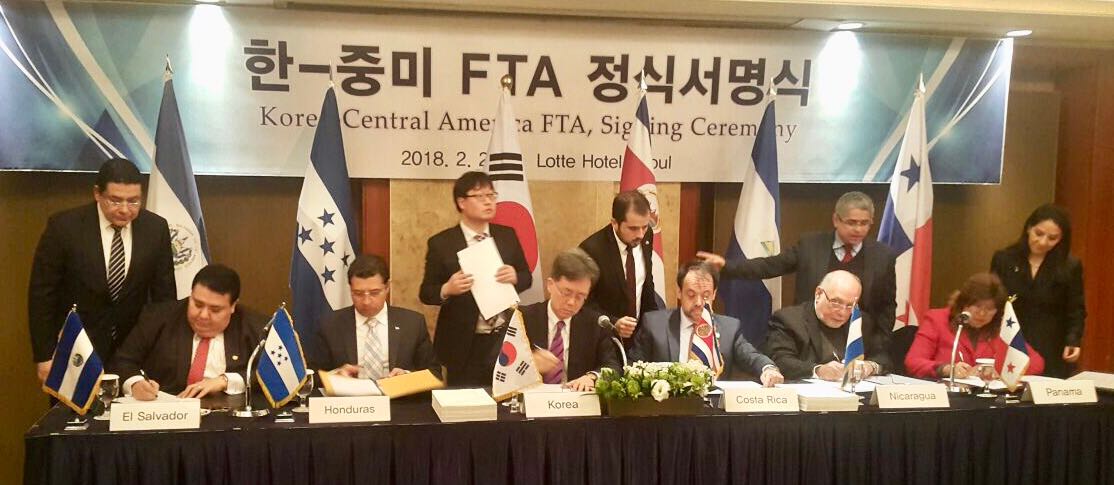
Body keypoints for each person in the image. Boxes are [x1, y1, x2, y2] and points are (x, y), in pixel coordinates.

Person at [28, 158, 176, 382]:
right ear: (97, 193)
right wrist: (44, 355)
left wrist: (162, 351)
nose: (125, 210)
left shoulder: (156, 228)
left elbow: (164, 297)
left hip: (134, 353)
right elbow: (42, 296)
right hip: (76, 349)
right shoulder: (64, 227)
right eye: (115, 201)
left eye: (134, 201)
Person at [697, 191, 897, 346]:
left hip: (860, 341)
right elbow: (771, 265)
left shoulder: (883, 256)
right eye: (852, 222)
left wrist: (880, 341)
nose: (858, 229)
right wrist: (727, 266)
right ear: (836, 219)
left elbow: (887, 306)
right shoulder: (811, 245)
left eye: (864, 223)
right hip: (810, 339)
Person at [419, 171, 532, 386]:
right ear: (461, 202)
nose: (488, 202)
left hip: (504, 338)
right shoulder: (441, 243)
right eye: (480, 196)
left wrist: (516, 277)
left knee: (505, 399)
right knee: (465, 401)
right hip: (463, 343)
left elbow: (527, 278)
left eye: (491, 195)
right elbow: (426, 292)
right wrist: (447, 289)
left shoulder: (507, 235)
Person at [110, 264, 266, 400]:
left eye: (215, 309)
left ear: (233, 306)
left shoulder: (256, 327)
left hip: (229, 417)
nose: (203, 315)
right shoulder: (158, 318)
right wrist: (135, 383)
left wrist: (226, 381)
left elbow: (274, 372)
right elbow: (122, 361)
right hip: (166, 414)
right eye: (197, 304)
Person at [631, 261, 784, 386]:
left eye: (706, 296)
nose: (699, 302)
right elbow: (633, 369)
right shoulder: (654, 324)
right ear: (679, 292)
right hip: (668, 407)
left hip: (714, 409)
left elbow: (751, 356)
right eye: (691, 295)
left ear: (714, 294)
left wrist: (768, 369)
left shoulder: (729, 328)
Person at [991, 204, 1086, 377]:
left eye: (1052, 238)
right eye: (1039, 233)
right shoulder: (1004, 259)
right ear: (1029, 228)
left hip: (1051, 343)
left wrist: (1073, 340)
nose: (1043, 242)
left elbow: (1076, 308)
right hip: (1011, 338)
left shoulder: (1070, 266)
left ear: (1061, 239)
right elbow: (992, 300)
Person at [310, 254, 440, 379]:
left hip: (397, 395)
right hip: (349, 394)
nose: (366, 301)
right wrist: (334, 376)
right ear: (350, 289)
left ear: (387, 287)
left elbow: (435, 374)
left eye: (374, 293)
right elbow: (313, 377)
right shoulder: (330, 325)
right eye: (358, 293)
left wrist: (407, 377)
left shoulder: (413, 324)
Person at [905, 273, 1044, 379]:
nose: (982, 314)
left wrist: (1004, 372)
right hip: (948, 397)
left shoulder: (1001, 327)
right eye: (977, 306)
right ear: (963, 303)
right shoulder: (937, 320)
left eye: (990, 309)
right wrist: (946, 369)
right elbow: (913, 362)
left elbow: (1036, 362)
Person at [521, 248, 622, 392]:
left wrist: (593, 377)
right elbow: (495, 364)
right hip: (532, 400)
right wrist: (527, 363)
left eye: (580, 296)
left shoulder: (595, 324)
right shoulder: (523, 318)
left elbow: (613, 366)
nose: (571, 302)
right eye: (566, 292)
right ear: (550, 284)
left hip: (576, 401)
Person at [763, 270, 892, 381]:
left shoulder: (861, 321)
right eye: (836, 302)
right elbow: (780, 361)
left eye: (850, 305)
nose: (842, 313)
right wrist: (819, 370)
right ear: (818, 293)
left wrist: (870, 366)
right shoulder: (788, 319)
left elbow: (883, 357)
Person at [579, 190, 660, 342]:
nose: (640, 235)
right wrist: (612, 322)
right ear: (614, 223)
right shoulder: (591, 250)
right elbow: (583, 302)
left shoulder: (646, 236)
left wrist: (654, 325)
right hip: (605, 338)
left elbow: (646, 283)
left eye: (644, 227)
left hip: (640, 336)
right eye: (633, 228)